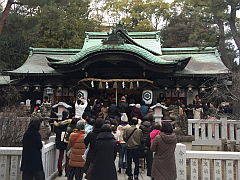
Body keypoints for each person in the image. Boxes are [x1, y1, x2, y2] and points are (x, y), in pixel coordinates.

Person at [54, 109, 70, 176]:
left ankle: (60, 171)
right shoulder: (69, 123)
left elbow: (55, 131)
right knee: (67, 156)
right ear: (68, 115)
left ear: (62, 115)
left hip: (60, 140)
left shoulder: (58, 123)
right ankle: (66, 172)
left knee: (60, 156)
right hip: (67, 140)